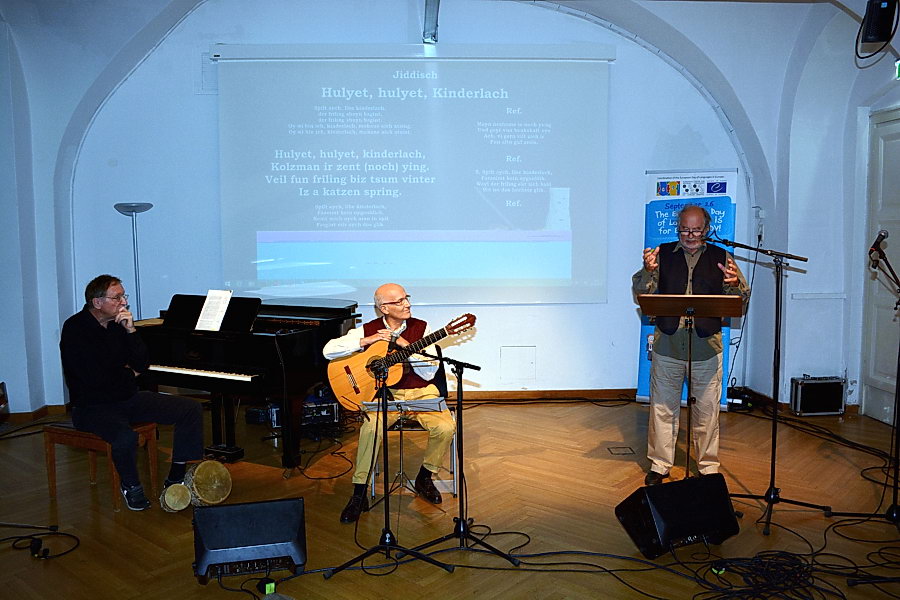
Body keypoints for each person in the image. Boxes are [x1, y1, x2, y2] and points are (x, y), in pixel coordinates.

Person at [60, 275, 204, 510]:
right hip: (91, 407)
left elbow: (142, 364)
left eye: (123, 296)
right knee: (125, 437)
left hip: (126, 398)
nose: (124, 302)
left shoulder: (119, 325)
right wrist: (129, 373)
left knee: (190, 409)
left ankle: (176, 476)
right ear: (97, 302)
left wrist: (131, 331)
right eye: (117, 297)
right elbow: (93, 379)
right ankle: (131, 486)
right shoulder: (75, 329)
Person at [632, 205, 750, 485]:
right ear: (678, 228)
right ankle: (660, 464)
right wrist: (648, 272)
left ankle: (708, 467)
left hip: (706, 347)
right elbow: (641, 293)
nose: (690, 235)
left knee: (707, 411)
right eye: (685, 229)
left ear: (707, 229)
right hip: (668, 345)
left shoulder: (723, 257)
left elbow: (740, 298)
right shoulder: (661, 255)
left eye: (696, 230)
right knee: (663, 408)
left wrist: (734, 284)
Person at [324, 283, 455, 523]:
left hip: (421, 392)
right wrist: (368, 340)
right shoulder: (369, 329)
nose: (407, 304)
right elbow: (328, 351)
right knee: (371, 428)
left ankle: (425, 476)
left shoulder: (422, 329)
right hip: (385, 395)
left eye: (407, 298)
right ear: (384, 308)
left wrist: (406, 346)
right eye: (399, 301)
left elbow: (429, 373)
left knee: (446, 427)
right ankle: (359, 492)